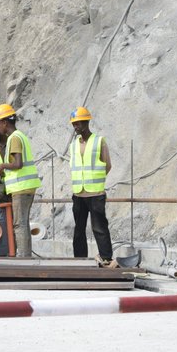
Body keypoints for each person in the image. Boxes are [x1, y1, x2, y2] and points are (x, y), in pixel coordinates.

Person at [0, 104, 41, 258]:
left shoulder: (14, 138)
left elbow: (17, 164)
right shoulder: (20, 136)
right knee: (23, 223)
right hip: (25, 187)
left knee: (19, 224)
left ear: (5, 122)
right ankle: (26, 257)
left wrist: (1, 166)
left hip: (22, 187)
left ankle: (24, 258)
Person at [68, 106, 116, 266]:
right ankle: (80, 260)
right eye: (74, 124)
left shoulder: (99, 141)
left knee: (100, 228)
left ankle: (106, 258)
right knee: (78, 230)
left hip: (95, 194)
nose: (76, 127)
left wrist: (96, 180)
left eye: (78, 123)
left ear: (86, 122)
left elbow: (107, 165)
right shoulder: (73, 144)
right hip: (78, 194)